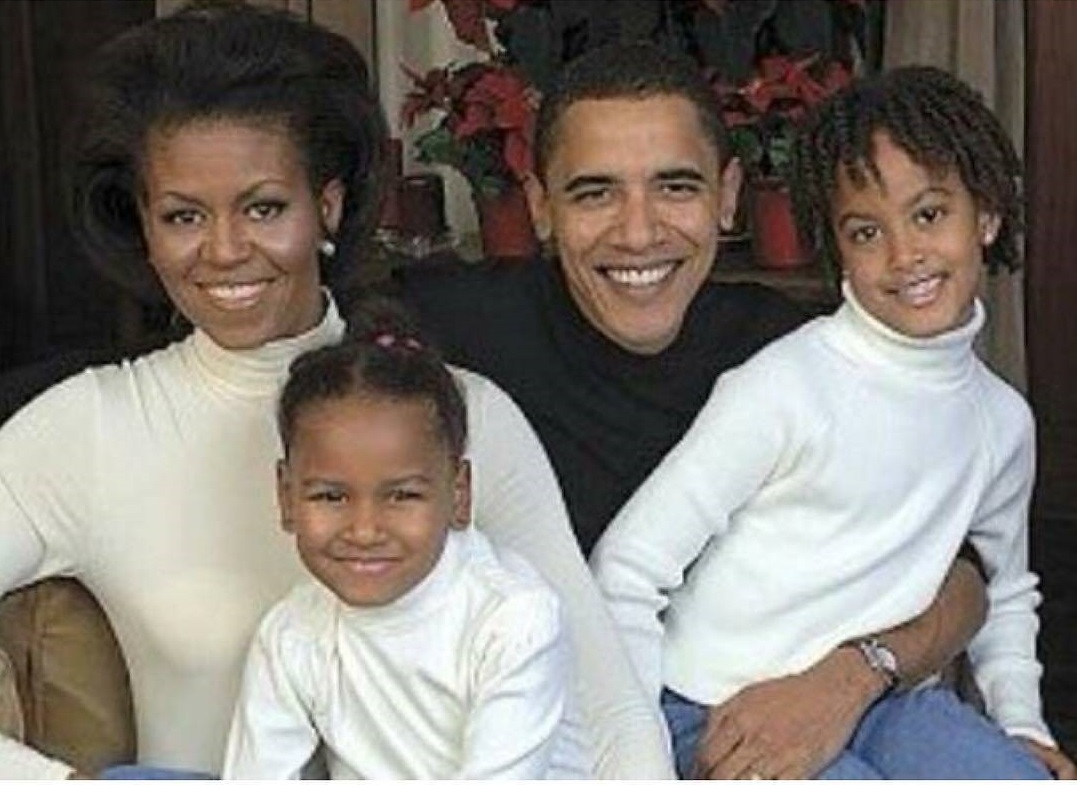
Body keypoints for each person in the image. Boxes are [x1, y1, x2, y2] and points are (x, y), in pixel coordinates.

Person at [0, 2, 668, 778]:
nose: (224, 251)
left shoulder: (459, 412)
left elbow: (610, 705)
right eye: (184, 215)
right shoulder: (85, 430)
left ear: (328, 204)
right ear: (145, 226)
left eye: (263, 207)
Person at [393, 40, 993, 779]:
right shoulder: (451, 327)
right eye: (594, 192)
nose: (638, 231)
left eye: (675, 187)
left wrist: (852, 676)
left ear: (729, 192)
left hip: (811, 701)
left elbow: (960, 573)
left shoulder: (796, 350)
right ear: (541, 205)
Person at [591, 64, 1075, 779]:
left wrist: (1021, 725)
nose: (903, 254)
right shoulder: (783, 385)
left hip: (883, 702)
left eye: (929, 214)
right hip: (711, 701)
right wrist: (635, 757)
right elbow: (629, 565)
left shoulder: (1001, 421)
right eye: (864, 230)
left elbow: (1002, 589)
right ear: (836, 250)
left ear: (988, 215)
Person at [223, 302, 586, 779]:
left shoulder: (513, 620)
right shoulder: (293, 634)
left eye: (402, 495)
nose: (365, 530)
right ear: (287, 497)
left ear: (459, 494)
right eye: (331, 496)